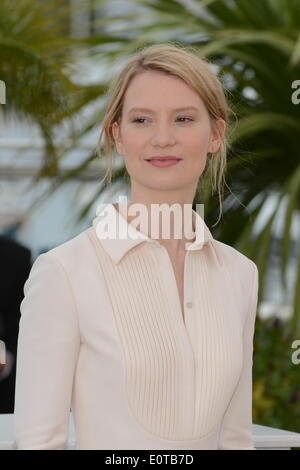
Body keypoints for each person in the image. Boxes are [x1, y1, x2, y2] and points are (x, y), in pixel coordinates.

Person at [14, 43, 259, 450]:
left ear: (215, 135)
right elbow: (39, 441)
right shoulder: (64, 272)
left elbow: (235, 438)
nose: (162, 138)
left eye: (183, 118)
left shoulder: (239, 274)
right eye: (142, 120)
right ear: (118, 136)